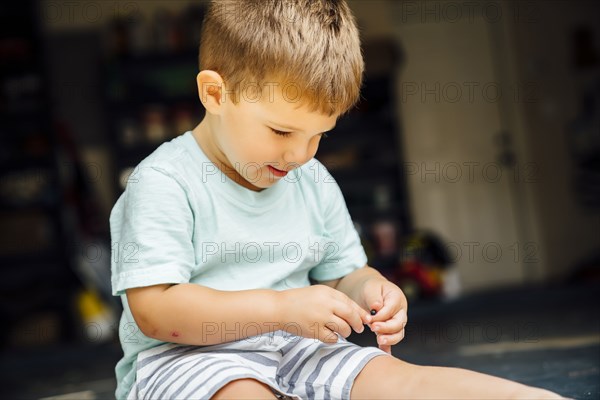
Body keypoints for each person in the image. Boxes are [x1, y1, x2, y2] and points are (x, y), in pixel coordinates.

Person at [110, 1, 567, 399]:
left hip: (299, 348)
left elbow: (343, 274)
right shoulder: (164, 181)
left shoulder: (312, 178)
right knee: (240, 392)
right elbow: (155, 311)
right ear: (215, 93)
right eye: (281, 131)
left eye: (319, 136)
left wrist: (370, 290)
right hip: (188, 359)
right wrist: (281, 310)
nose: (299, 154)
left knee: (395, 379)